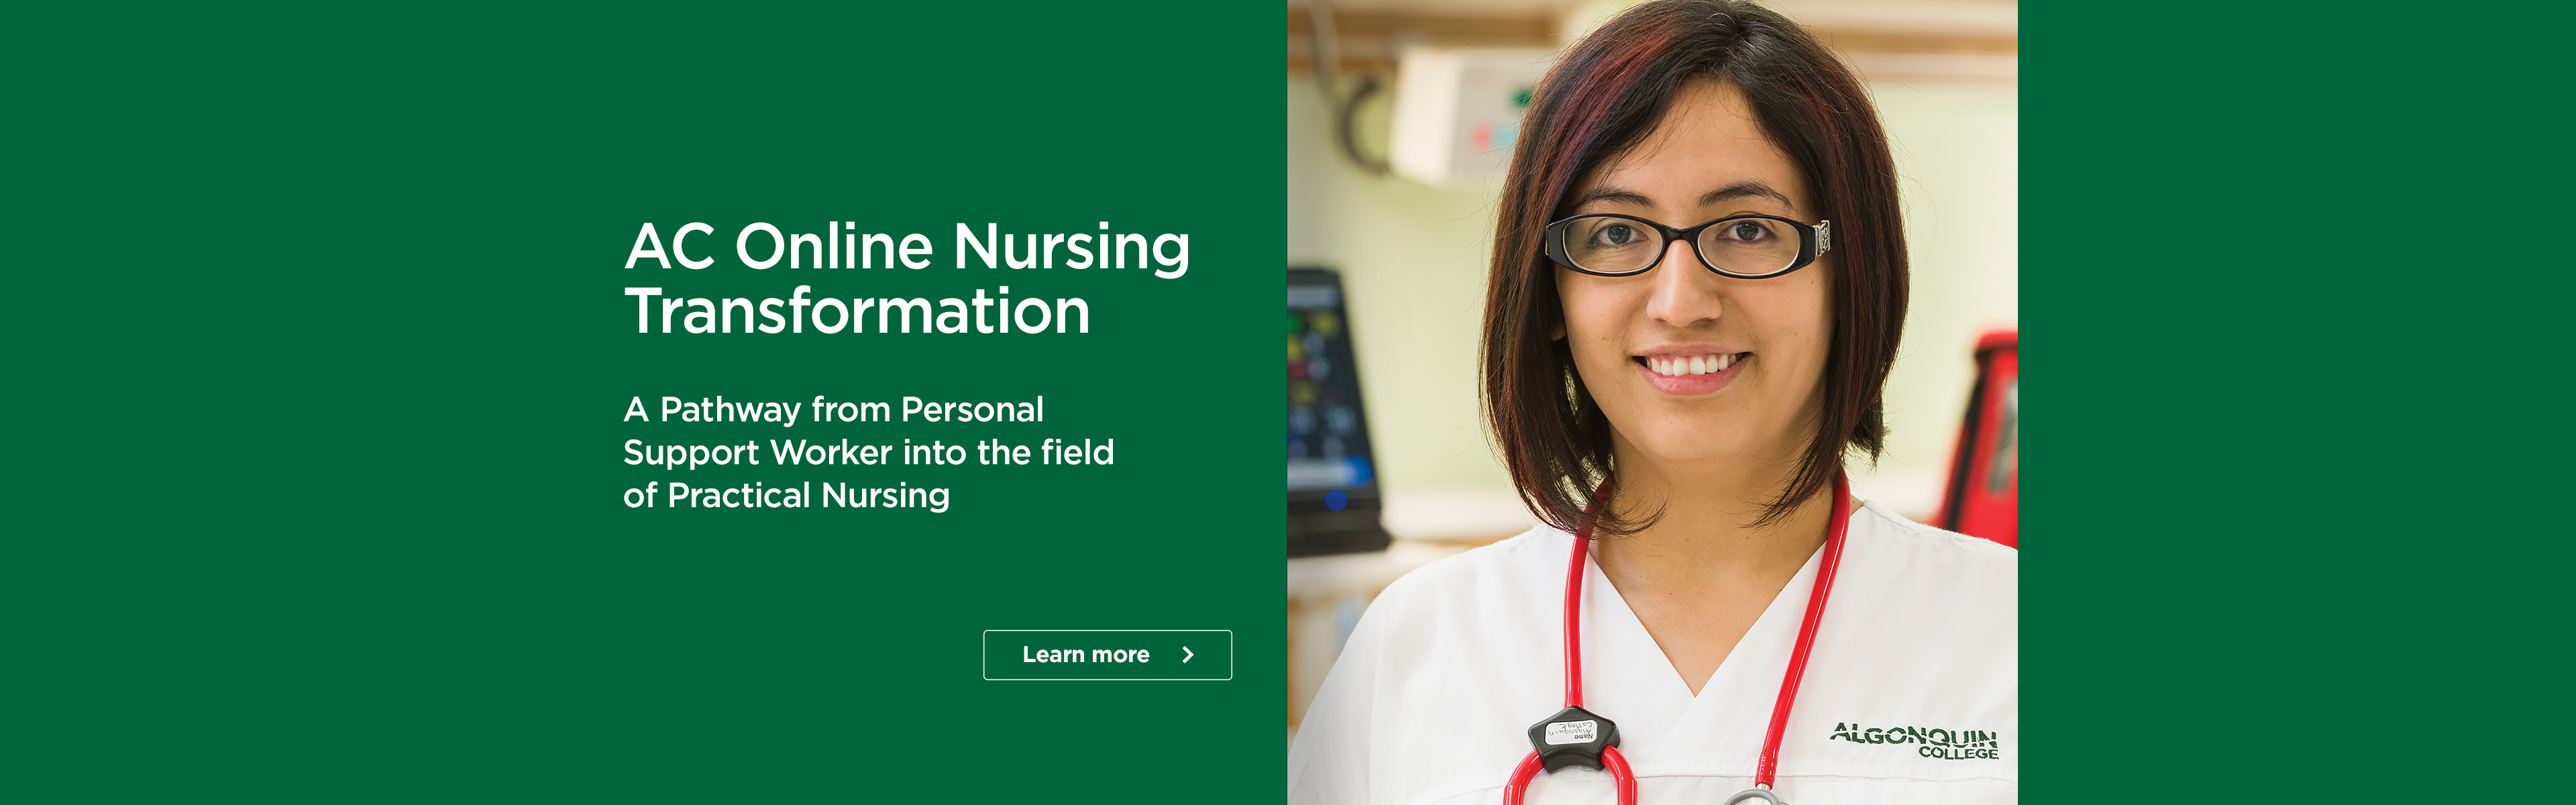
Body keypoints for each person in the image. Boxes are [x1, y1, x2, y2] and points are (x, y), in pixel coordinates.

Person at [1286, 1, 2017, 802]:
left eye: (1746, 230)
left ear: (1848, 277)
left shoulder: (2004, 634)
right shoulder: (1419, 644)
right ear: (1552, 297)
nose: (1679, 301)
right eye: (1613, 234)